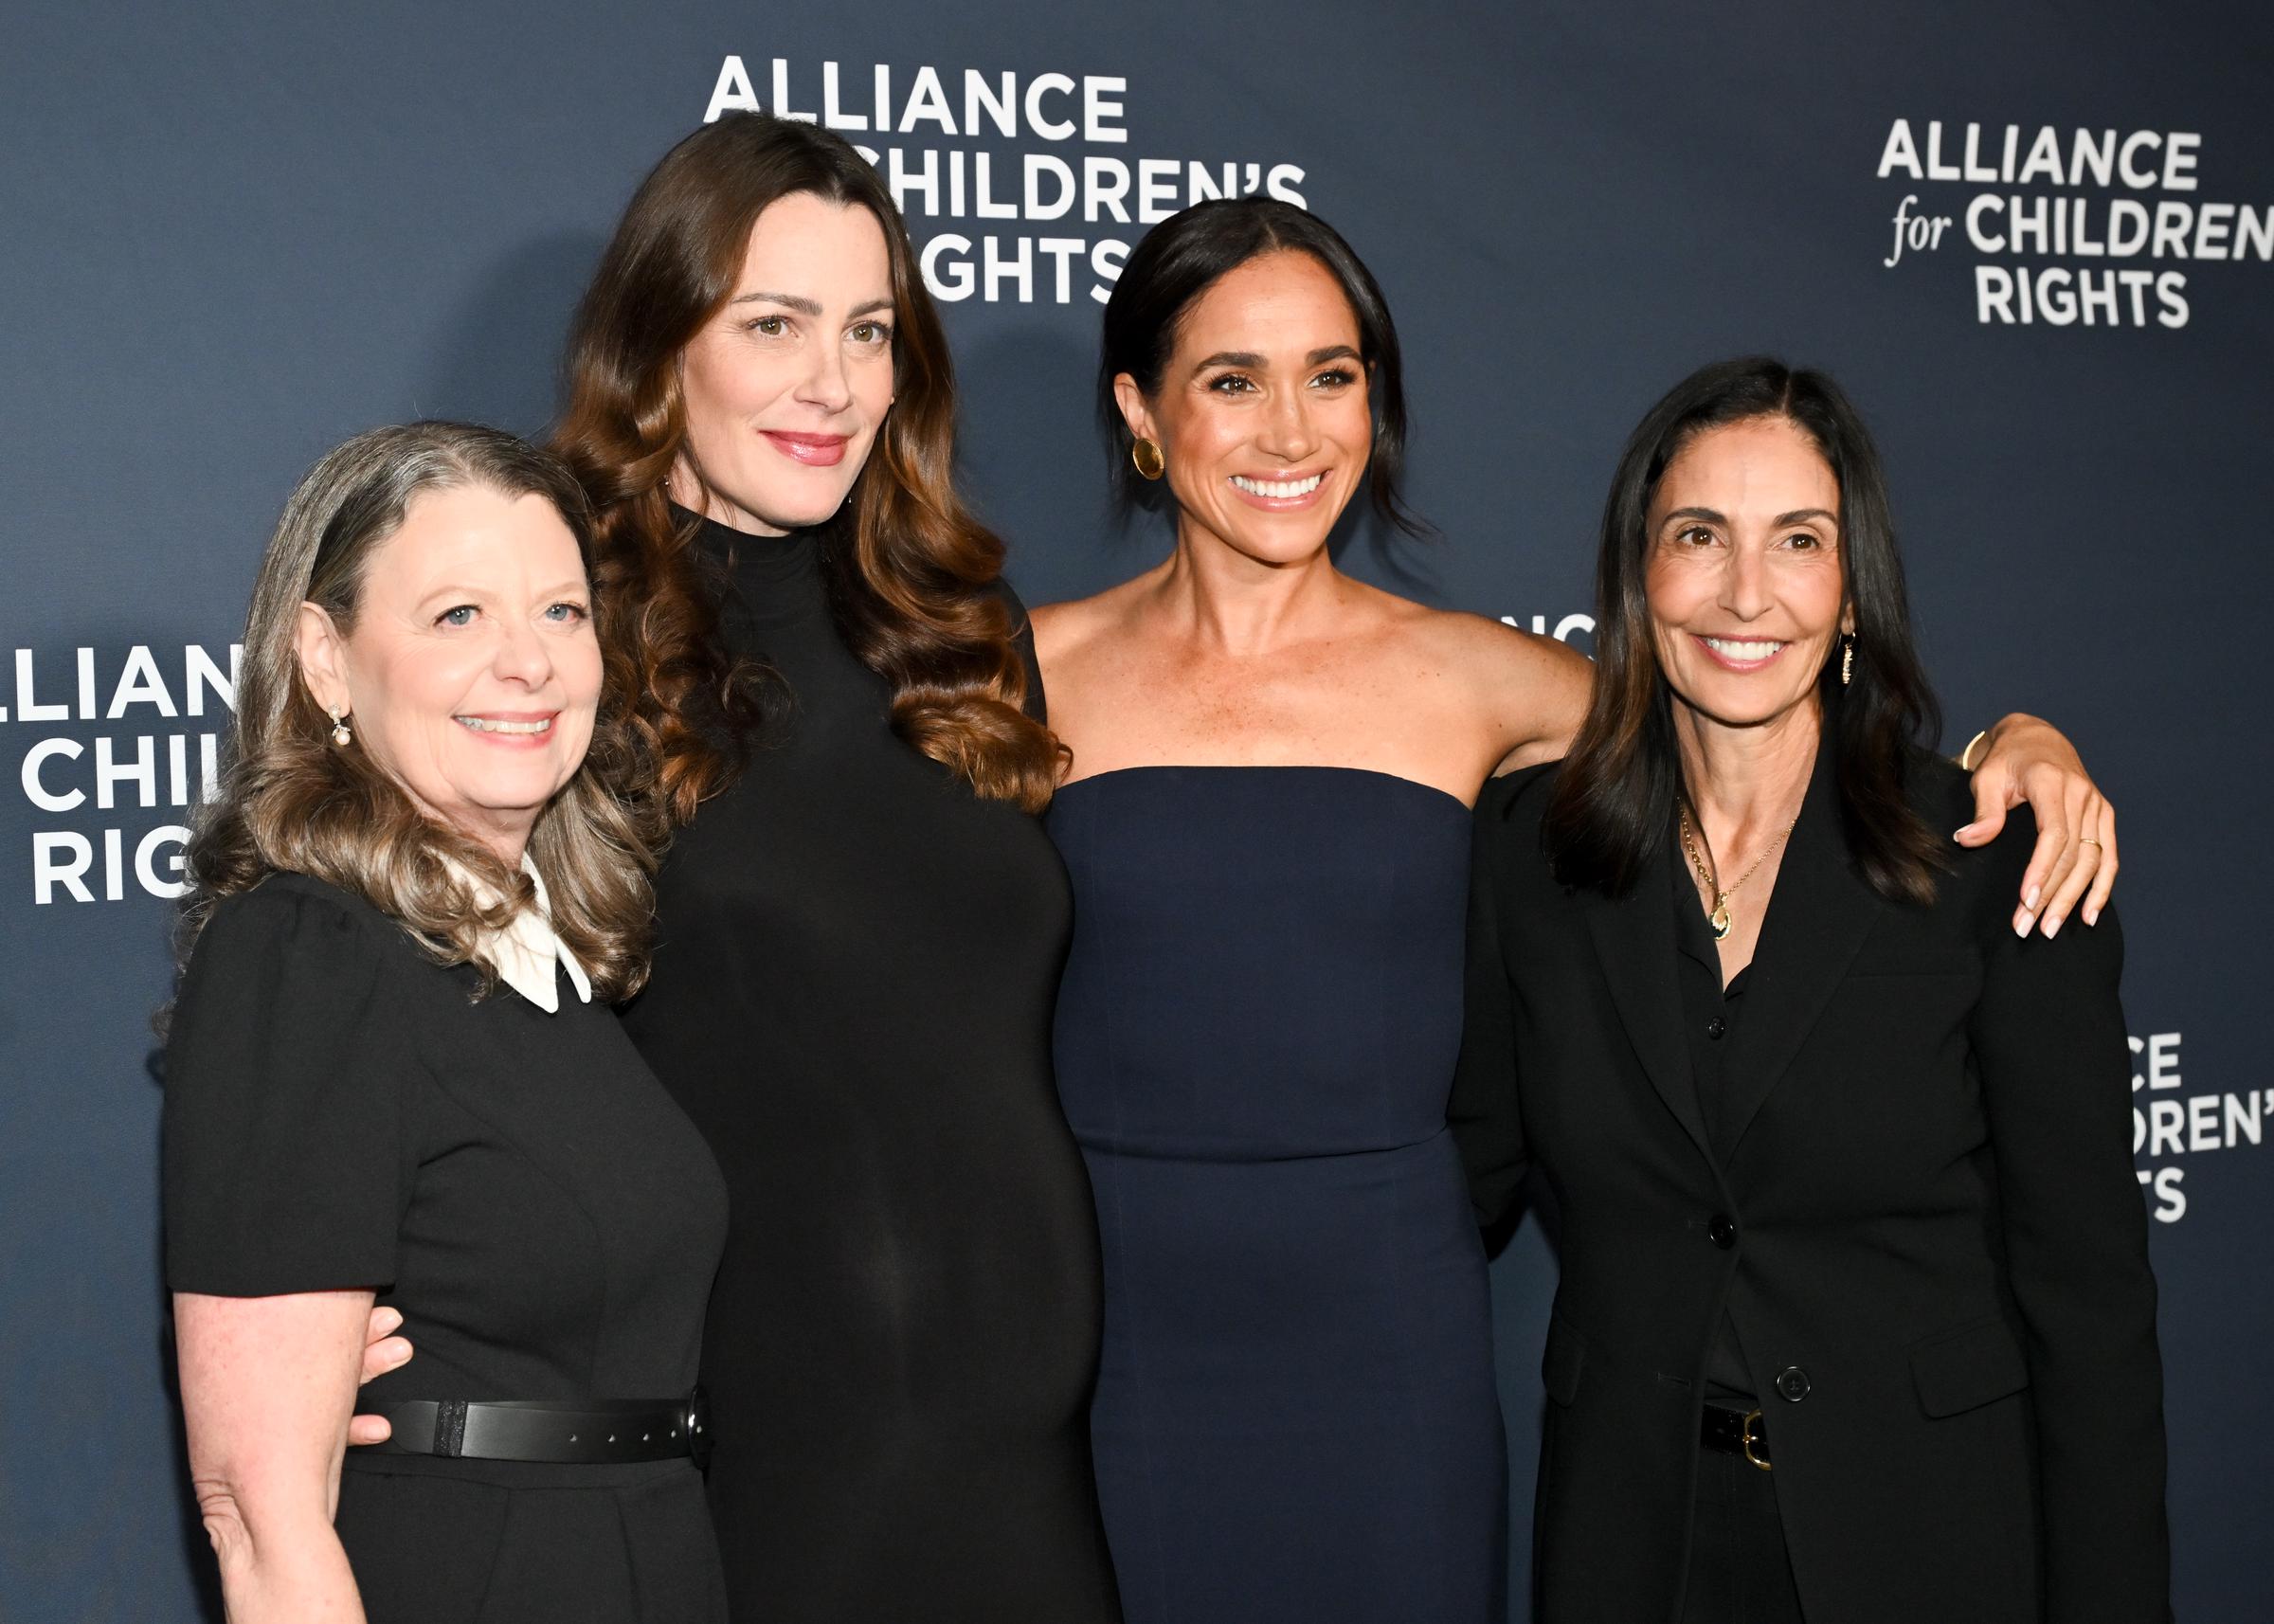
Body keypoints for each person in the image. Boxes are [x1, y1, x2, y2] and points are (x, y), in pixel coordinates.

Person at [1032, 200, 2121, 1624]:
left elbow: (1754, 701)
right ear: (1139, 409)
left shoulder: (1500, 685)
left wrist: (2011, 747)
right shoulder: (1011, 679)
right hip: (1106, 1331)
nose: (1291, 432)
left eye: (1334, 374)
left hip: (1382, 1343)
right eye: (1233, 379)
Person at [1456, 357, 2167, 1623]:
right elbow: (1459, 1170)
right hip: (1632, 1544)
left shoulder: (1996, 852)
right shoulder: (1528, 855)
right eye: (1697, 536)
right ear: (1637, 577)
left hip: (1928, 1536)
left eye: (1799, 540)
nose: (1745, 591)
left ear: (1853, 596)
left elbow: (2091, 1299)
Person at [550, 113, 1118, 1619]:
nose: (833, 381)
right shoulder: (568, 648)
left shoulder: (961, 632)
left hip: (1034, 1471)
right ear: (661, 344)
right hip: (778, 1470)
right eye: (774, 324)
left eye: (868, 328)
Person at [164, 422, 728, 1623]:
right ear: (324, 660)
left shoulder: (545, 961)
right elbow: (259, 1510)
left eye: (562, 613)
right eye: (457, 615)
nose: (526, 663)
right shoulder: (307, 952)